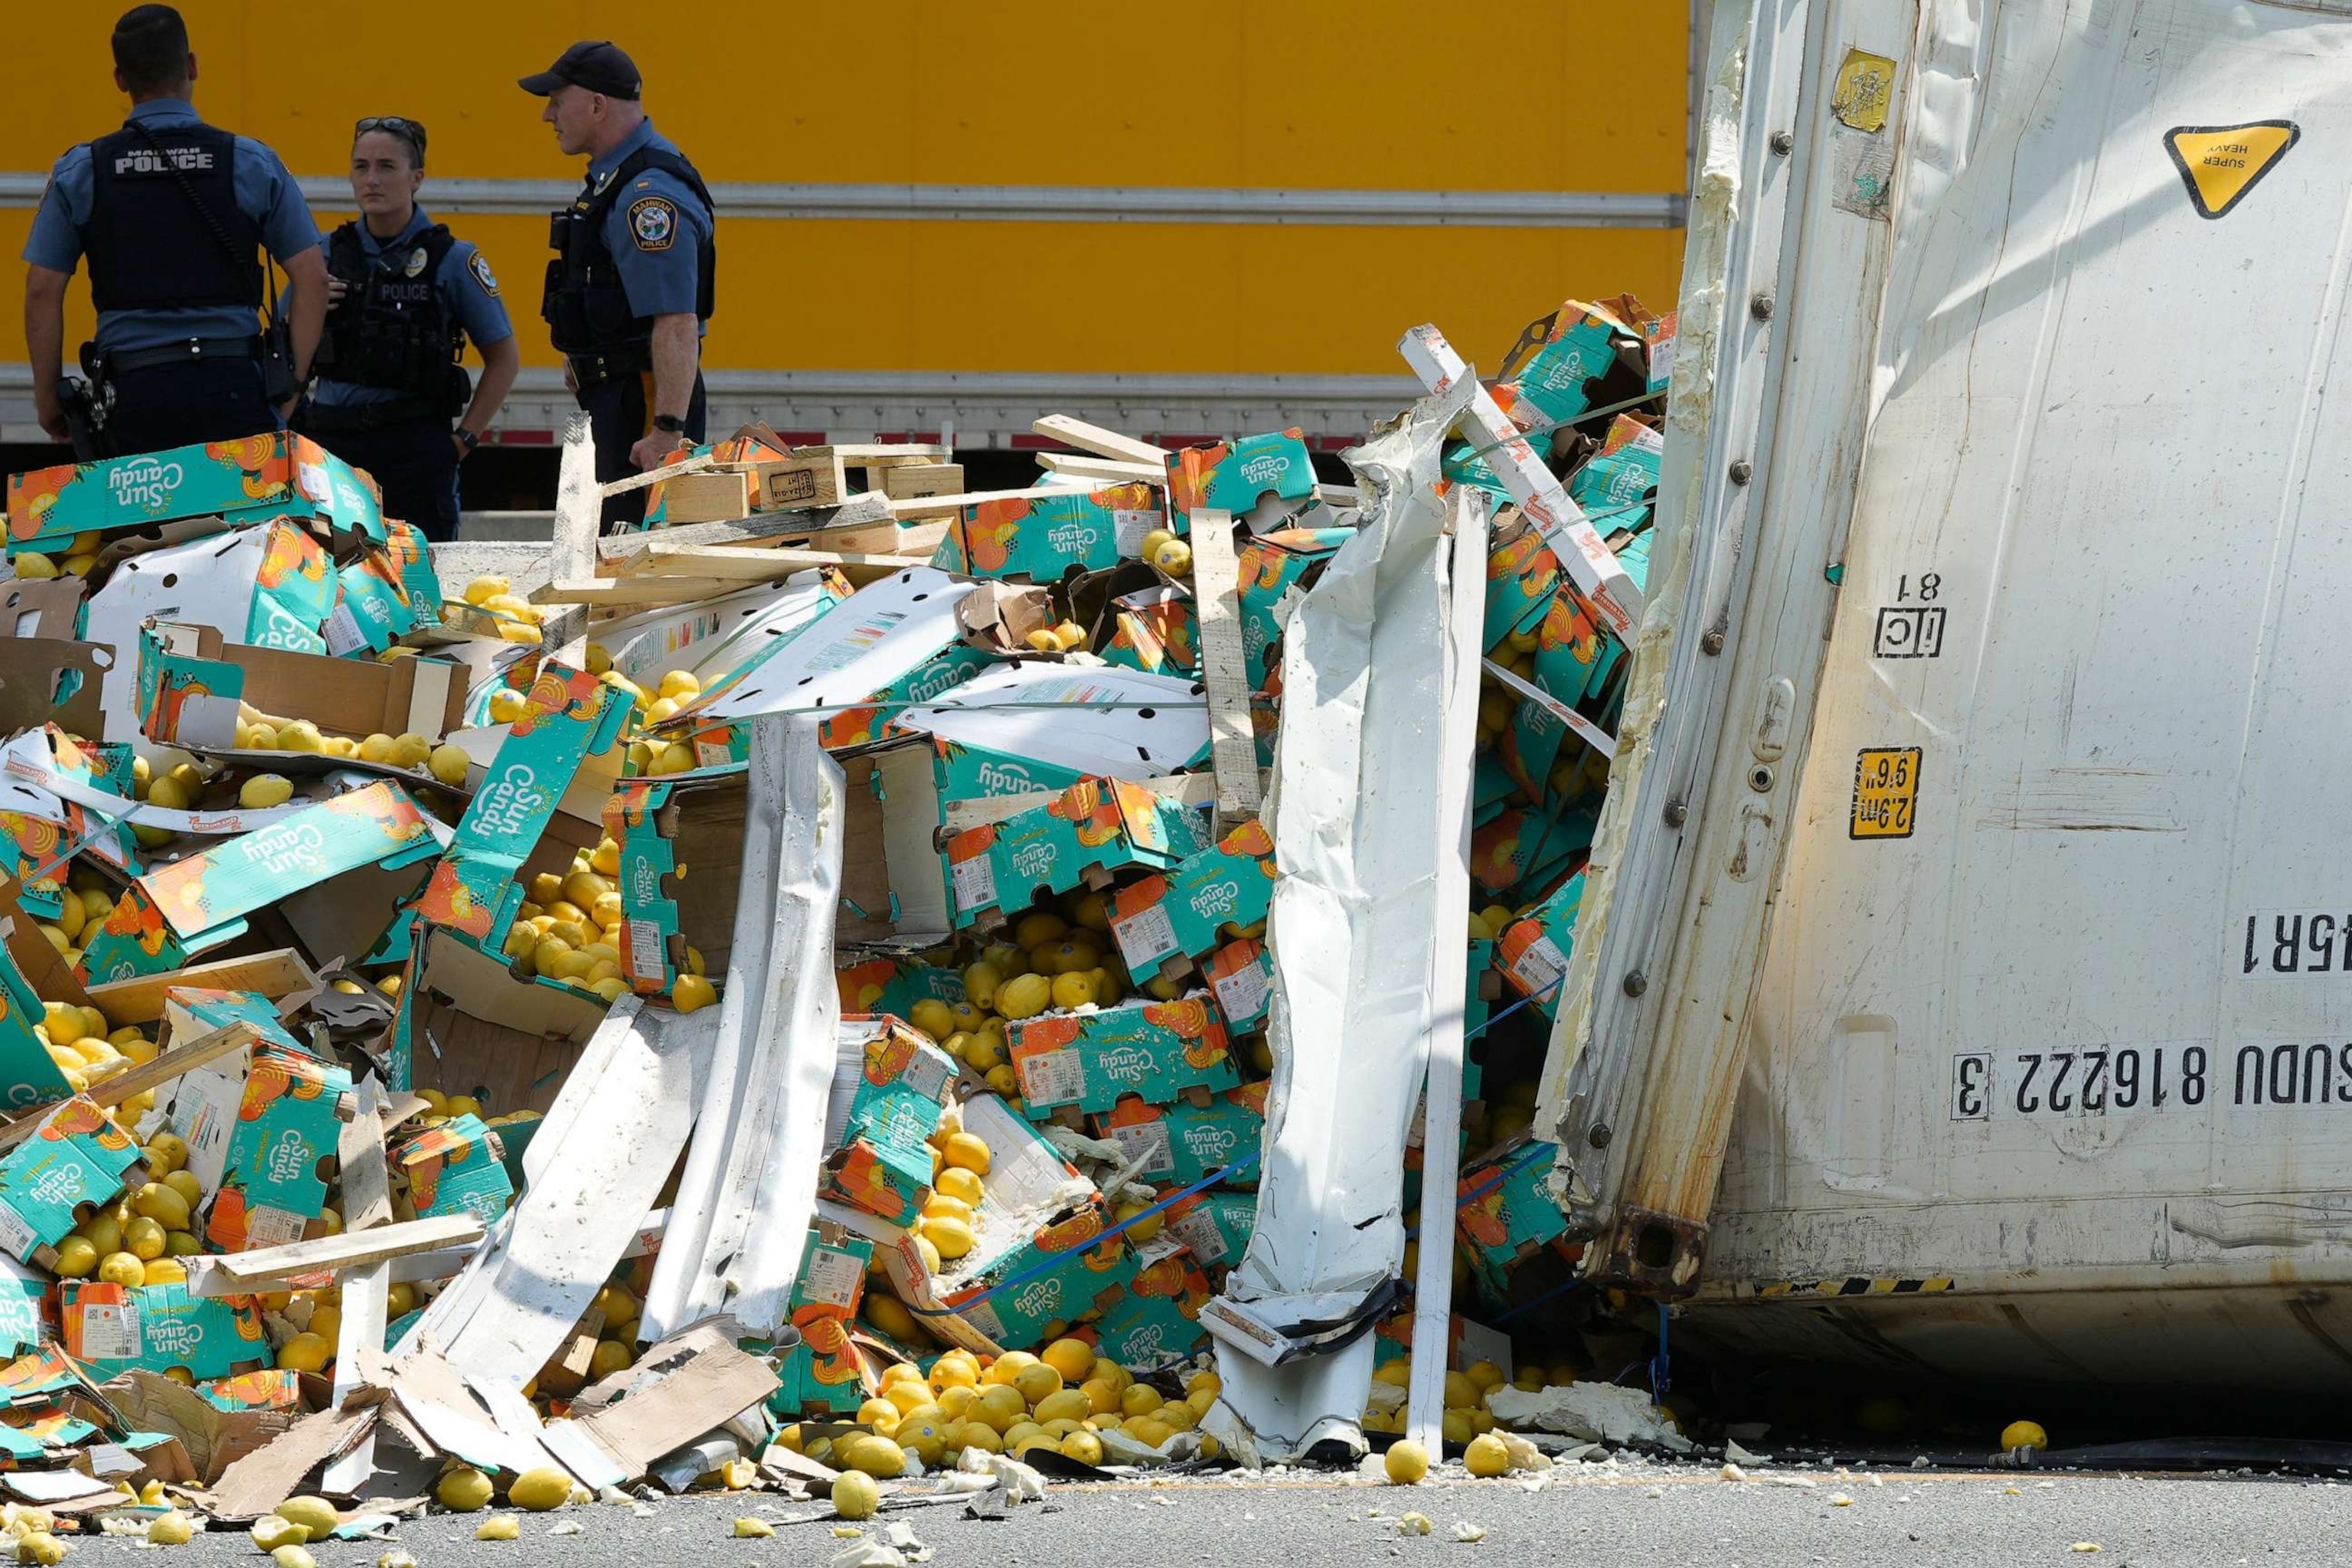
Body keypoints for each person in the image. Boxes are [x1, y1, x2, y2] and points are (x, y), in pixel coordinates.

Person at [21, 4, 327, 456]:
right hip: (234, 388)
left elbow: (43, 290)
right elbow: (312, 277)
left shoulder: (83, 170)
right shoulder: (249, 161)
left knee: (136, 528)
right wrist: (291, 387)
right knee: (245, 526)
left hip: (132, 395)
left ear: (120, 80)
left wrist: (49, 399)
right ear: (192, 66)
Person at [291, 116, 521, 543]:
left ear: (417, 178)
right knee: (329, 579)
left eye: (386, 167)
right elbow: (285, 352)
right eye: (361, 167)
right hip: (333, 447)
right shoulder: (321, 257)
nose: (372, 179)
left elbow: (504, 358)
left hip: (414, 447)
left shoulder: (451, 258)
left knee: (420, 582)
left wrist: (463, 441)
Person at [521, 40, 717, 526]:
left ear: (596, 104)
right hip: (619, 400)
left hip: (641, 409)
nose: (548, 116)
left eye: (556, 100)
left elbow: (676, 320)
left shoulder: (647, 197)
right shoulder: (617, 181)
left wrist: (667, 433)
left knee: (635, 555)